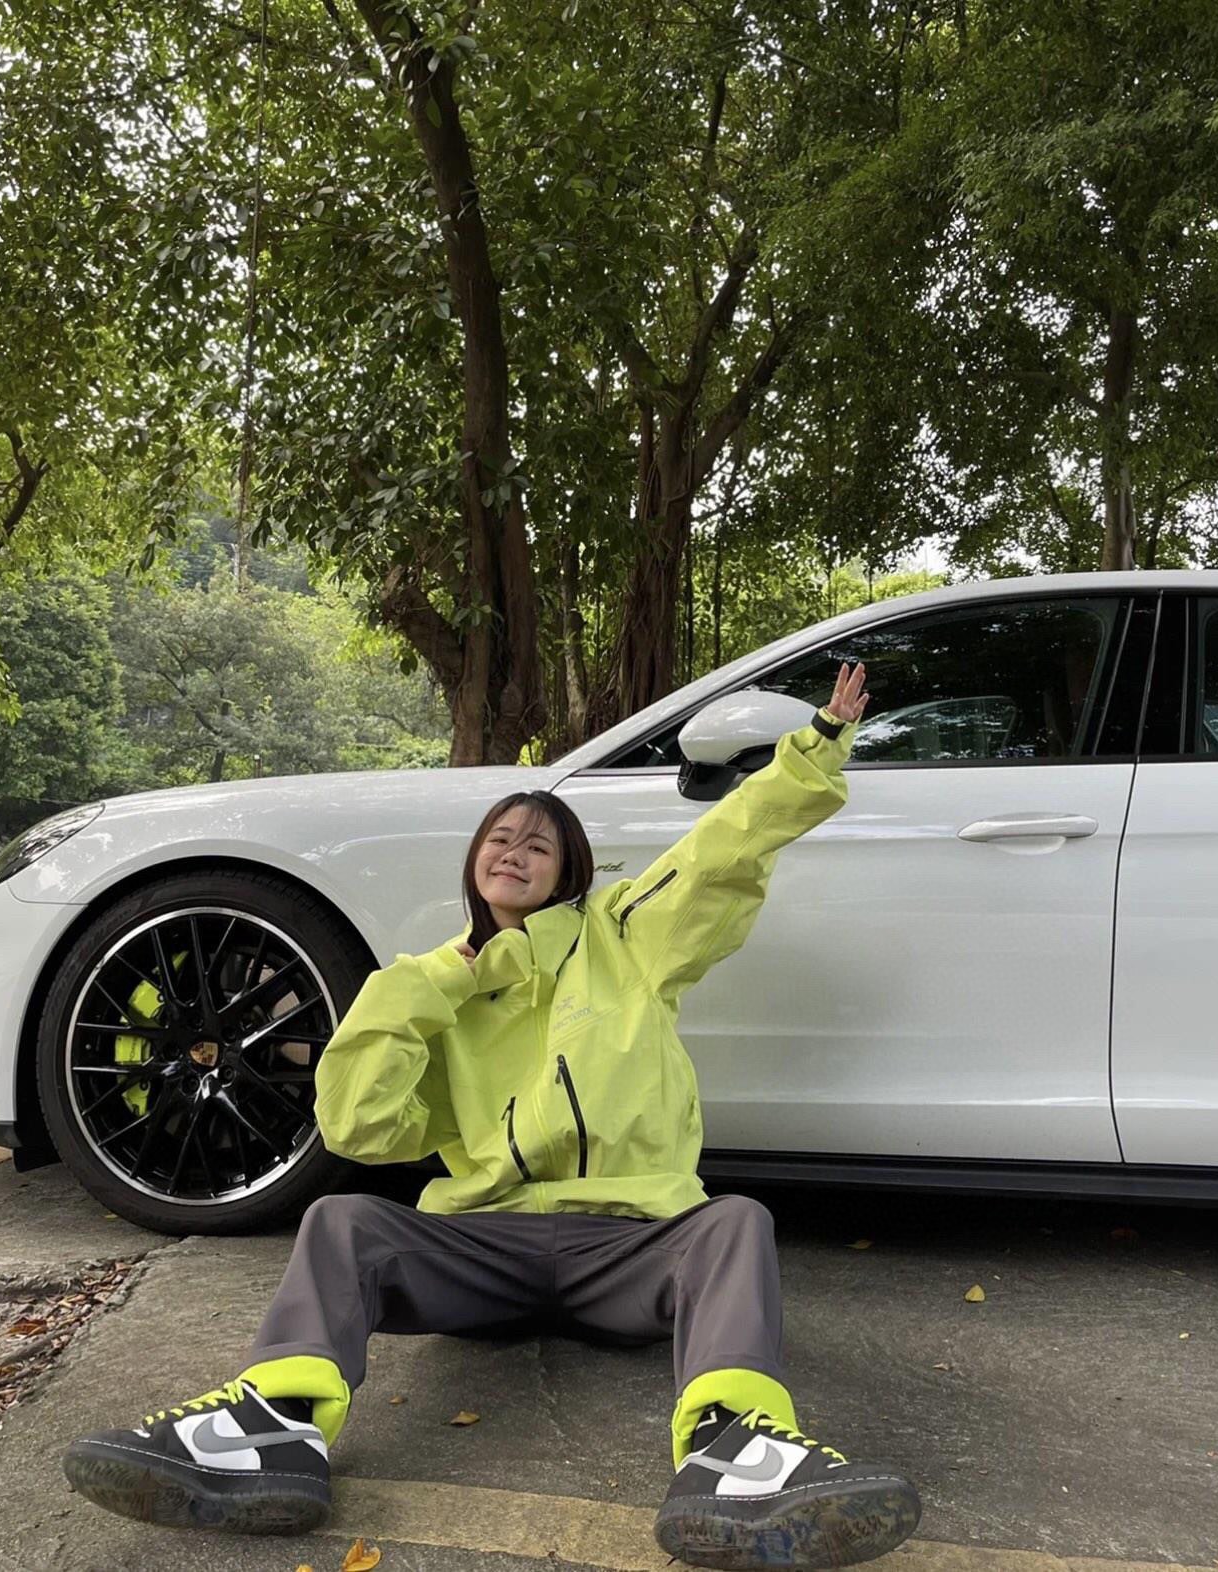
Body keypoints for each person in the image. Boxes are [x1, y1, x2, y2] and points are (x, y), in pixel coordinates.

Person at [63, 662, 923, 1569]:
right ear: (476, 862)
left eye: (539, 845)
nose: (515, 851)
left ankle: (734, 1453)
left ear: (569, 872)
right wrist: (438, 980)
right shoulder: (437, 986)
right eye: (500, 839)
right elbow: (358, 1126)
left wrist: (813, 749)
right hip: (483, 1250)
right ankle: (272, 1431)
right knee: (343, 1220)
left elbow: (720, 854)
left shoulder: (625, 937)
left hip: (630, 1248)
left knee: (734, 1223)